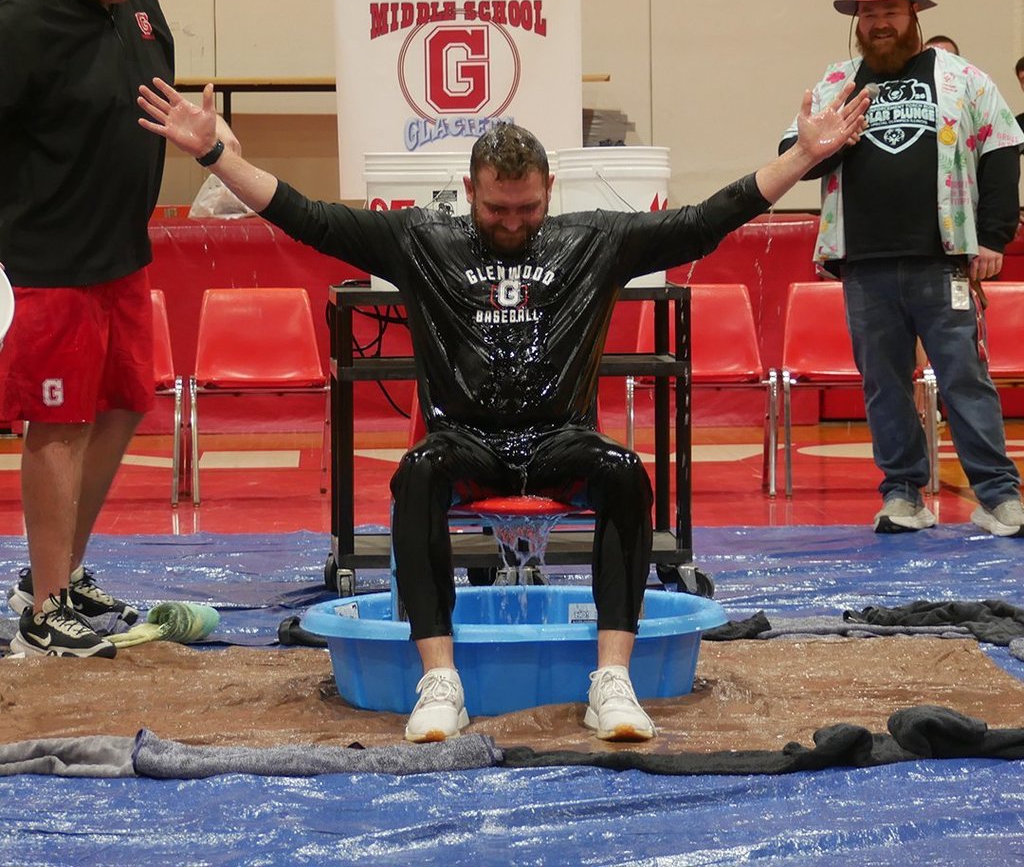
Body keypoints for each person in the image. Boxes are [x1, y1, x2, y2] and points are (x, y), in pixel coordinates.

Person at [138, 75, 870, 742]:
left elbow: (708, 220)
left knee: (623, 471)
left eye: (527, 208)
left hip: (561, 441)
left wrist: (803, 158)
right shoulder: (423, 239)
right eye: (496, 209)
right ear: (469, 189)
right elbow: (307, 217)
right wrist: (213, 158)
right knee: (417, 472)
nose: (513, 222)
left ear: (551, 188)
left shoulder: (594, 240)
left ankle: (611, 679)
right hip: (466, 444)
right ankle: (440, 680)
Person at [0, 0, 238, 658]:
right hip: (48, 259)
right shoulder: (21, 19)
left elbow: (156, 100)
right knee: (59, 422)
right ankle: (42, 615)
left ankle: (60, 574)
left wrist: (200, 132)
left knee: (128, 402)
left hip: (123, 252)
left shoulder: (141, 2)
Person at [780, 0, 1024, 538]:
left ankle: (999, 496)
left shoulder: (960, 77)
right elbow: (796, 154)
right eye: (869, 14)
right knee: (883, 382)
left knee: (964, 375)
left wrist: (992, 236)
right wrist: (827, 140)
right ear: (857, 23)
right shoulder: (837, 83)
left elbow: (1003, 143)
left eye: (891, 11)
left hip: (942, 258)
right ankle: (902, 495)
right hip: (862, 261)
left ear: (914, 14)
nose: (880, 22)